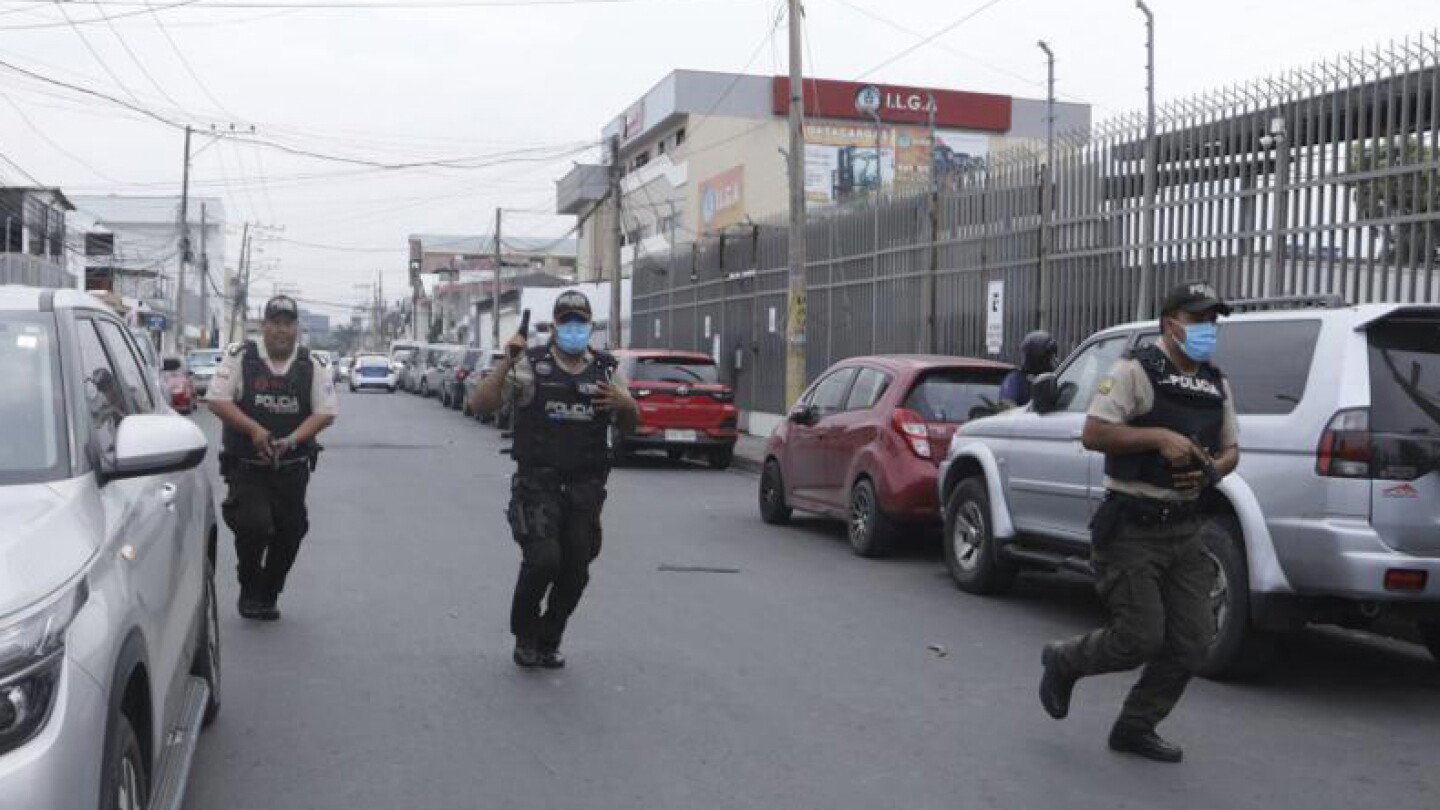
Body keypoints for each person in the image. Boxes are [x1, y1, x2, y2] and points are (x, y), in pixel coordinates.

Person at [1037, 281, 1241, 763]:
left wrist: (1212, 468)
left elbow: (1233, 450)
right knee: (1140, 637)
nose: (1208, 329)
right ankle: (1063, 661)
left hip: (1187, 528)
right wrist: (1158, 438)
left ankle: (1135, 726)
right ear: (1171, 324)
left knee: (1193, 642)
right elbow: (1093, 432)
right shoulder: (1135, 371)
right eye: (1199, 320)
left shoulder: (1215, 382)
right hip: (1132, 526)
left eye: (1214, 321)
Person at [470, 290, 638, 669]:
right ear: (555, 325)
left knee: (575, 570)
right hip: (538, 485)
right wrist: (506, 361)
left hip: (585, 489)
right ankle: (525, 635)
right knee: (543, 560)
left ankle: (550, 637)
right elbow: (480, 404)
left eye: (581, 321)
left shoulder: (608, 371)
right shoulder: (531, 365)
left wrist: (627, 405)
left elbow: (630, 422)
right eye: (567, 321)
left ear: (590, 326)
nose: (574, 328)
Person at [208, 295, 338, 620]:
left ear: (297, 328)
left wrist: (292, 441)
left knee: (290, 531)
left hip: (291, 468)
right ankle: (249, 586)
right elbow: (217, 400)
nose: (282, 331)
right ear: (264, 327)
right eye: (275, 323)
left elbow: (325, 413)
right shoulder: (241, 357)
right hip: (248, 467)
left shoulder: (313, 364)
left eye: (288, 324)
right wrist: (254, 430)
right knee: (253, 524)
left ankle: (269, 591)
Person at [999, 330, 1058, 408]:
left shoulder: (1057, 378)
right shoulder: (1016, 380)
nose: (1055, 360)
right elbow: (1007, 407)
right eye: (1050, 356)